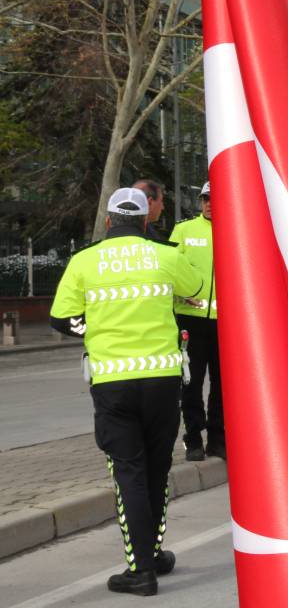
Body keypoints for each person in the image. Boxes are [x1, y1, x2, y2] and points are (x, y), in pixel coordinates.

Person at [49, 187, 203, 596]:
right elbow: (196, 286)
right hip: (162, 379)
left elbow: (61, 319)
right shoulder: (165, 255)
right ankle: (151, 553)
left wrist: (92, 328)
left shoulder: (84, 261)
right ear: (145, 220)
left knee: (128, 474)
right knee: (156, 469)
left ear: (108, 220)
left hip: (113, 382)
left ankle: (140, 570)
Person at [170, 182, 221, 461]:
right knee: (190, 382)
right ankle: (193, 439)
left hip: (226, 323)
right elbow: (169, 267)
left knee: (222, 386)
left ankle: (217, 439)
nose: (210, 203)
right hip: (190, 321)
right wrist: (181, 291)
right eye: (205, 199)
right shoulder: (184, 230)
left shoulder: (238, 227)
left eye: (215, 198)